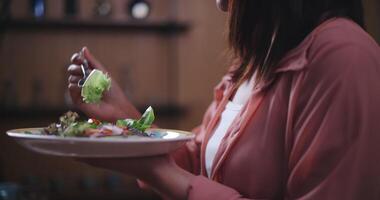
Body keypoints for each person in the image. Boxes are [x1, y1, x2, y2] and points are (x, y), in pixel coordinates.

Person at [67, 0, 380, 199]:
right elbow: (193, 162)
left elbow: (175, 175)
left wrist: (157, 171)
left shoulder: (343, 56)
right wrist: (122, 117)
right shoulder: (254, 62)